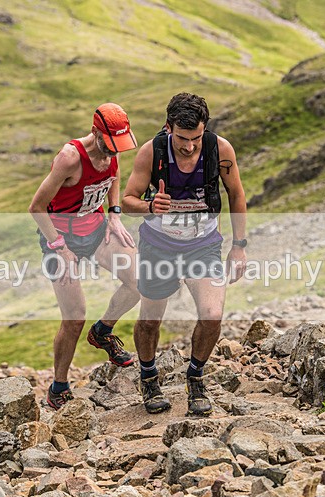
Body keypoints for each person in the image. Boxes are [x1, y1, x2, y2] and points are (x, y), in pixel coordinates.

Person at [122, 93, 247, 416]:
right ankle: (149, 378)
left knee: (211, 314)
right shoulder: (152, 151)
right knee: (150, 319)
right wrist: (150, 206)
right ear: (168, 128)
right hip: (158, 245)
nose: (189, 146)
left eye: (195, 138)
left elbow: (236, 193)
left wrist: (239, 246)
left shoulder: (219, 149)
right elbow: (128, 200)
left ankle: (195, 377)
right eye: (181, 138)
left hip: (202, 246)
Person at [29, 103, 140, 410]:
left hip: (96, 231)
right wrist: (59, 247)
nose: (115, 151)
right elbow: (36, 208)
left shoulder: (112, 151)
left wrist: (115, 214)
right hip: (60, 238)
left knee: (140, 281)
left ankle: (103, 332)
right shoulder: (70, 158)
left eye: (120, 145)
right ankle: (59, 386)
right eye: (110, 144)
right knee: (74, 317)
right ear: (95, 132)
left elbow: (114, 176)